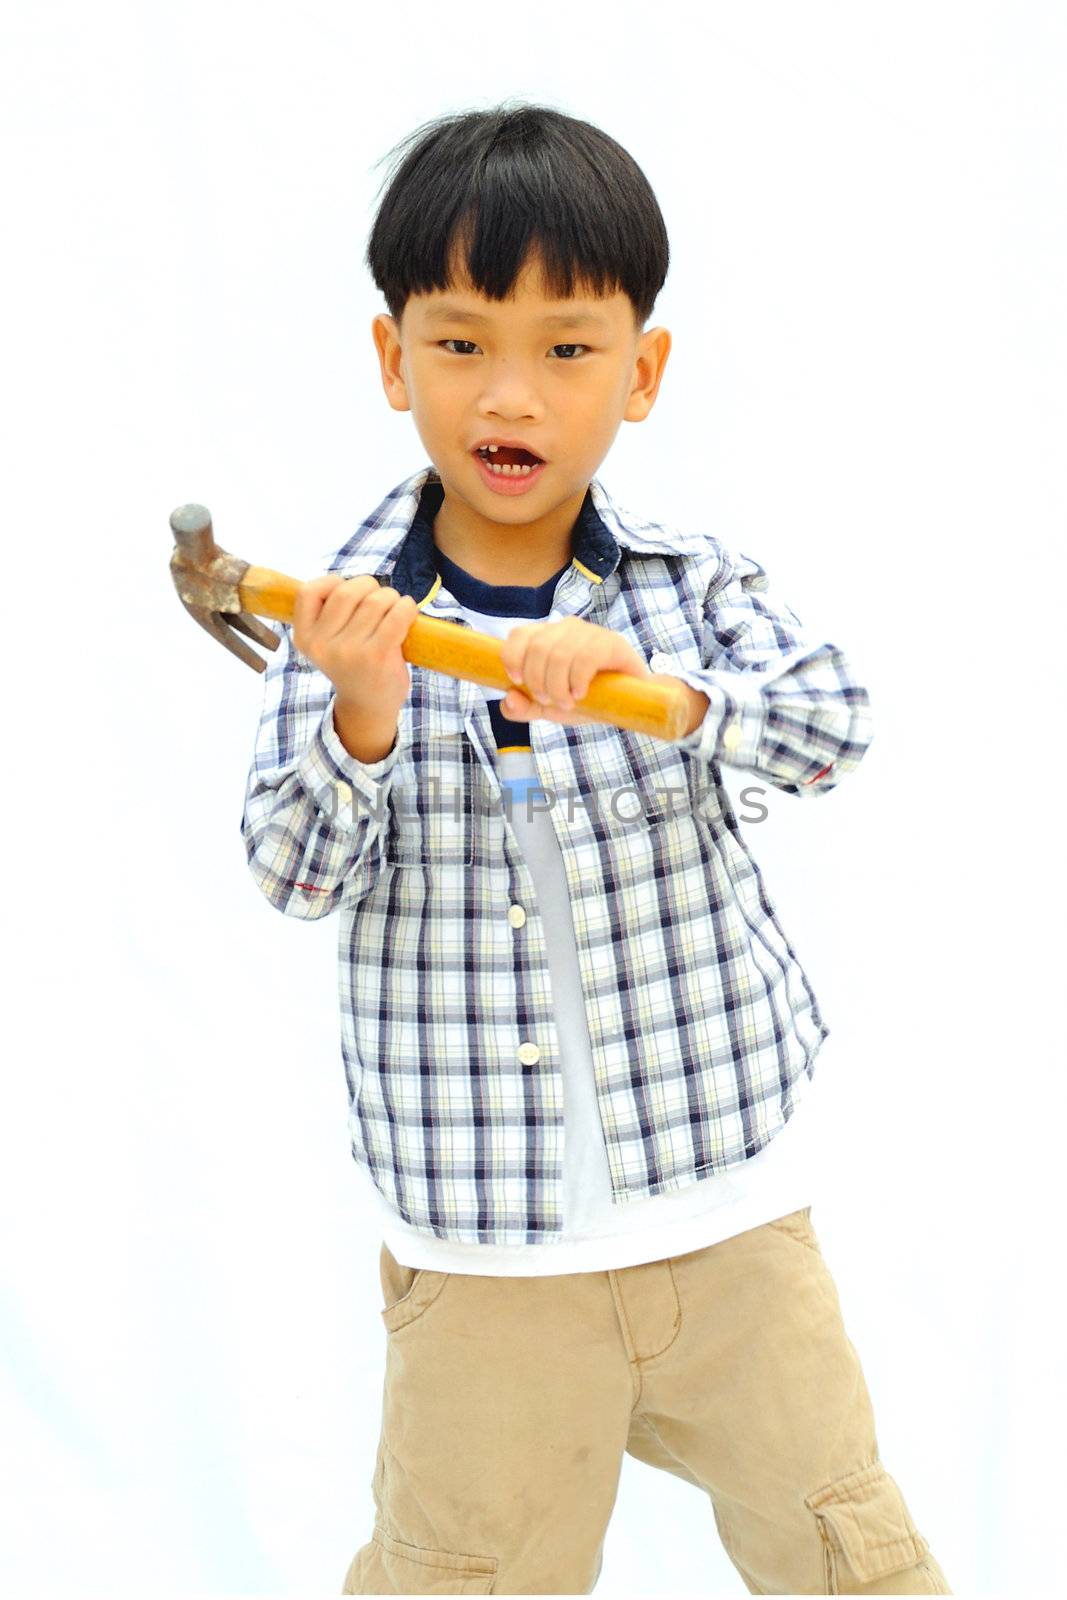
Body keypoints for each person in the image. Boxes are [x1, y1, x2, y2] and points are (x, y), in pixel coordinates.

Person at [241, 102, 951, 1596]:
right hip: (486, 1249)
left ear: (642, 372)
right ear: (393, 361)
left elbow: (835, 728)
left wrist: (664, 693)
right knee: (465, 1574)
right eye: (460, 343)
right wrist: (362, 718)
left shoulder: (687, 588)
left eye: (567, 348)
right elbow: (291, 875)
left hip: (727, 1213)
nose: (513, 393)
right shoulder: (344, 619)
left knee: (845, 1548)